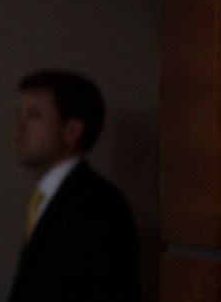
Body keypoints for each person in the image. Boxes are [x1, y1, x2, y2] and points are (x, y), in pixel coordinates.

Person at [9, 70, 140, 302]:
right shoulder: (50, 199)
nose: (19, 126)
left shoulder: (99, 208)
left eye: (34, 115)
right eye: (18, 114)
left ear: (72, 130)